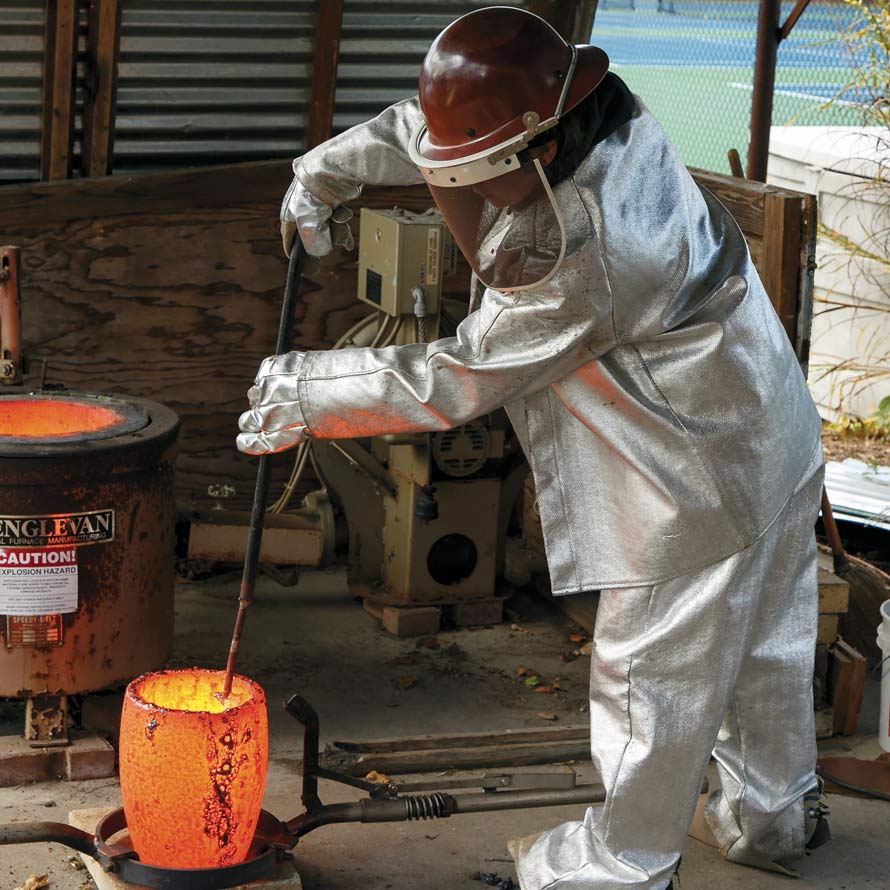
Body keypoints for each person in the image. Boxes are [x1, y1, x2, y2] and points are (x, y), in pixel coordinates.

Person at [237, 8, 828, 890]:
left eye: (482, 175)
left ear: (538, 154)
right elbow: (438, 139)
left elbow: (457, 376)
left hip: (695, 475)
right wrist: (326, 172)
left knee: (648, 682)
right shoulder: (595, 111)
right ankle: (771, 819)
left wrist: (305, 389)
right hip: (770, 425)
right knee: (765, 653)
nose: (460, 183)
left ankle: (621, 865)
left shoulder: (590, 245)